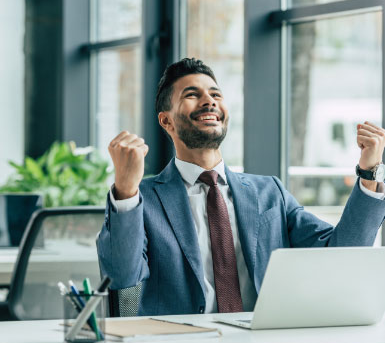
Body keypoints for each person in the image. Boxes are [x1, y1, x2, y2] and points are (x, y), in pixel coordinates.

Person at [97, 57, 385, 316]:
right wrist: (125, 189)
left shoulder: (269, 193)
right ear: (166, 121)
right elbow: (122, 278)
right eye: (192, 95)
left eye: (215, 94)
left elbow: (342, 255)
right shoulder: (141, 199)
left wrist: (369, 173)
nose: (209, 101)